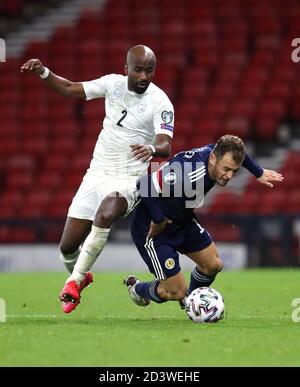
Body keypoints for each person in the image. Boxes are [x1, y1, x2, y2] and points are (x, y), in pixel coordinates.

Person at [20, 45, 174, 313]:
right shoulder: (112, 84)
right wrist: (44, 72)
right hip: (96, 173)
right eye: (138, 69)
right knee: (67, 248)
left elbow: (165, 145)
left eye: (149, 71)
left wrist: (151, 148)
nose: (143, 76)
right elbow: (69, 89)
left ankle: (73, 283)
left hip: (129, 178)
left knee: (104, 216)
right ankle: (82, 275)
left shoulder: (160, 102)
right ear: (126, 68)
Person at [124, 135, 284, 308]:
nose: (229, 176)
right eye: (227, 169)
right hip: (153, 230)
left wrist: (258, 172)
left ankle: (191, 303)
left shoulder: (217, 154)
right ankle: (137, 288)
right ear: (213, 159)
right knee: (176, 291)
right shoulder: (188, 172)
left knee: (213, 265)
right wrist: (159, 219)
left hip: (182, 220)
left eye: (235, 171)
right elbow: (144, 184)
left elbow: (239, 156)